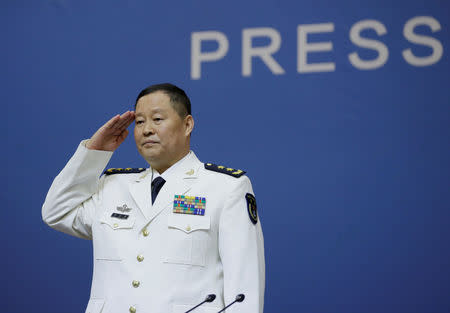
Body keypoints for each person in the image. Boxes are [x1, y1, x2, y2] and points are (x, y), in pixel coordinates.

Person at [42, 83, 265, 313]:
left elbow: (244, 291)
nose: (147, 129)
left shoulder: (225, 188)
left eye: (157, 119)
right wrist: (94, 152)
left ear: (187, 124)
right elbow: (57, 211)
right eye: (139, 122)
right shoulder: (113, 186)